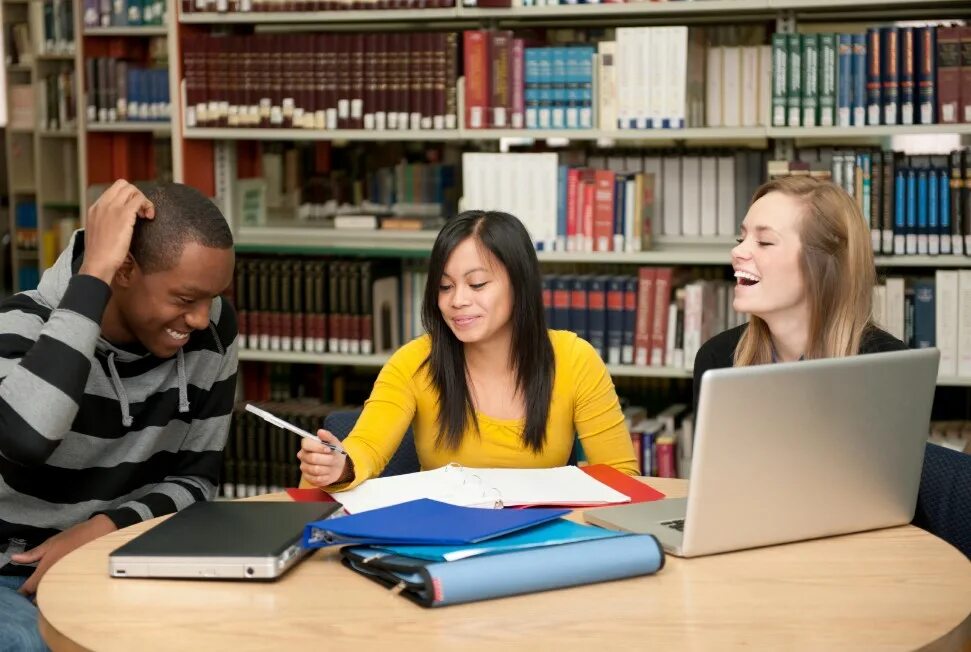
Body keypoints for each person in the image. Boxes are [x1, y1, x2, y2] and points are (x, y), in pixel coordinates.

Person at [0, 180, 238, 650]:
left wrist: (100, 530)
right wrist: (93, 275)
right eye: (185, 299)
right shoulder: (19, 330)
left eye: (211, 298)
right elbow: (28, 439)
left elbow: (199, 479)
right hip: (15, 574)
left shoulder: (210, 330)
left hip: (129, 554)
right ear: (123, 270)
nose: (200, 319)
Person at [298, 210, 638, 490]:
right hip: (443, 546)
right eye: (445, 287)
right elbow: (367, 446)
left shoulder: (574, 358)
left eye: (477, 284)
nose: (457, 301)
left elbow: (621, 476)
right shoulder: (414, 361)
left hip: (541, 546)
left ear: (519, 284)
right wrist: (341, 466)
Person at [692, 175, 906, 410]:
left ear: (823, 265)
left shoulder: (888, 366)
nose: (737, 251)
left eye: (764, 242)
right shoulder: (718, 359)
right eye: (741, 238)